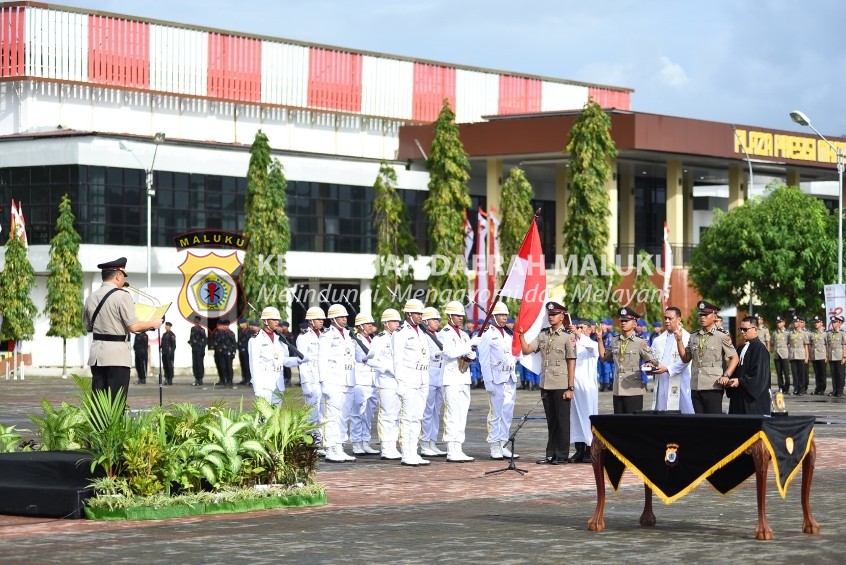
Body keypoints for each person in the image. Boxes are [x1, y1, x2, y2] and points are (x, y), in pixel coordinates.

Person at [83, 257, 163, 400]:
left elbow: (88, 327)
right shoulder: (122, 296)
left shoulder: (90, 298)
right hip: (117, 356)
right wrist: (153, 323)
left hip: (97, 356)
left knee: (99, 402)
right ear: (119, 275)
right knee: (116, 403)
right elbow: (133, 327)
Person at [518, 301, 576, 465]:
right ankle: (551, 453)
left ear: (562, 316)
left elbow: (571, 362)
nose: (551, 317)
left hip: (561, 384)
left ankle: (562, 455)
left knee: (562, 421)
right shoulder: (543, 335)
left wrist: (570, 387)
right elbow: (527, 350)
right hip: (546, 383)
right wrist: (521, 336)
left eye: (554, 314)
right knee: (551, 421)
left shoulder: (567, 337)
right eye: (549, 315)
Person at [392, 299, 439, 467]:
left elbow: (425, 354)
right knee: (407, 417)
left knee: (418, 417)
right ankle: (406, 452)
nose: (421, 316)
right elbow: (397, 359)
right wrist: (400, 382)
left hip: (422, 377)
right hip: (408, 378)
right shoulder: (401, 332)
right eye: (418, 313)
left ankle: (414, 450)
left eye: (421, 313)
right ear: (409, 314)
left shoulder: (421, 332)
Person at [675, 301, 738, 414]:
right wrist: (679, 340)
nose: (702, 317)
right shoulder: (694, 336)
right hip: (696, 385)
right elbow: (686, 358)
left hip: (713, 385)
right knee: (700, 423)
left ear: (714, 317)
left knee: (714, 422)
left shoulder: (721, 336)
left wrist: (726, 375)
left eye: (705, 315)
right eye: (700, 315)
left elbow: (734, 357)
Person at [438, 301, 479, 462]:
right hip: (451, 378)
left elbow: (471, 355)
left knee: (462, 414)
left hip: (463, 376)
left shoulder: (463, 334)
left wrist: (472, 350)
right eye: (457, 316)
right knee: (452, 414)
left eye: (462, 316)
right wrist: (469, 345)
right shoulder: (445, 333)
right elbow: (449, 353)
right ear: (449, 316)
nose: (460, 318)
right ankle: (451, 448)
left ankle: (459, 447)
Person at [597, 307, 657, 415]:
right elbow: (603, 357)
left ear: (634, 324)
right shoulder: (615, 340)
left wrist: (649, 364)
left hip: (633, 389)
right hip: (618, 389)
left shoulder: (640, 342)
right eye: (621, 321)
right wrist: (600, 339)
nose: (623, 323)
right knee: (620, 424)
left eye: (626, 321)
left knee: (634, 424)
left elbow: (652, 360)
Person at [478, 301, 519, 461]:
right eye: (501, 315)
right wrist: (488, 382)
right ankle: (494, 444)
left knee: (507, 413)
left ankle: (503, 443)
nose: (504, 318)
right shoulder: (488, 335)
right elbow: (484, 360)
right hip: (496, 378)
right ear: (494, 317)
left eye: (506, 315)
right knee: (495, 413)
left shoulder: (508, 335)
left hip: (509, 377)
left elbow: (515, 354)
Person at [319, 304, 357, 463]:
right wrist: (324, 382)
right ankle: (330, 448)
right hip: (334, 380)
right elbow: (322, 360)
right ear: (333, 319)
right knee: (332, 416)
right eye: (342, 317)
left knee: (344, 416)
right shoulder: (327, 336)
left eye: (345, 316)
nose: (345, 319)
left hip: (348, 379)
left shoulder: (348, 334)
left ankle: (339, 446)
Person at [249, 306, 306, 405]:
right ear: (266, 321)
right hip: (264, 385)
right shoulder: (255, 340)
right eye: (274, 320)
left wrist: (300, 360)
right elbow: (254, 366)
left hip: (279, 384)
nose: (277, 322)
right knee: (264, 418)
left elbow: (284, 360)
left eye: (278, 320)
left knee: (276, 417)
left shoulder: (280, 338)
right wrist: (257, 389)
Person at [367, 308, 402, 461]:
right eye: (394, 321)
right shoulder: (379, 339)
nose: (397, 323)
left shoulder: (400, 337)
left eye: (398, 321)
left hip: (399, 381)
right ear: (386, 323)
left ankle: (393, 444)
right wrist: (385, 367)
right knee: (387, 414)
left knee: (396, 415)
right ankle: (386, 446)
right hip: (386, 380)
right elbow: (370, 359)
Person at [649, 306, 693, 413]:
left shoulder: (687, 337)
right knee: (663, 412)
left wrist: (668, 369)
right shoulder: (658, 340)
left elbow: (685, 361)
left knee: (682, 413)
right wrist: (650, 364)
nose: (667, 321)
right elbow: (653, 357)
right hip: (662, 381)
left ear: (678, 319)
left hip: (680, 382)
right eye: (665, 318)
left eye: (670, 318)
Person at [725, 316, 771, 415]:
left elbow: (758, 374)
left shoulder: (760, 349)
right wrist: (729, 380)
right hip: (738, 396)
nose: (742, 332)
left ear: (755, 330)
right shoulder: (741, 348)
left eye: (745, 329)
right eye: (740, 329)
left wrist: (740, 381)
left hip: (752, 400)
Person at [568, 319, 599, 463]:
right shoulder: (573, 343)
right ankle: (578, 450)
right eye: (577, 327)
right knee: (574, 418)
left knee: (587, 417)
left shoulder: (591, 344)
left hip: (587, 388)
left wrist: (579, 335)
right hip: (573, 386)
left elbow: (594, 348)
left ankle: (589, 449)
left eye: (582, 327)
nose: (578, 330)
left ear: (589, 330)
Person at [350, 312, 380, 456]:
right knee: (358, 413)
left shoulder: (372, 339)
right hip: (361, 381)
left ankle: (365, 441)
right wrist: (364, 357)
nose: (371, 326)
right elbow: (357, 357)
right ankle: (356, 442)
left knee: (369, 414)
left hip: (373, 380)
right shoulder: (355, 340)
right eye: (368, 324)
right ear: (361, 326)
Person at [419, 307, 447, 458]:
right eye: (434, 319)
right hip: (429, 373)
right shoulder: (423, 336)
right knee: (427, 411)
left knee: (436, 411)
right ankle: (424, 443)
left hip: (440, 375)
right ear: (426, 321)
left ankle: (432, 442)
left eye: (438, 319)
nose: (438, 322)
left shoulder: (440, 335)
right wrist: (437, 353)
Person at [296, 307, 325, 431]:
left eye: (322, 319)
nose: (321, 321)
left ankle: (322, 441)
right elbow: (302, 362)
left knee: (323, 414)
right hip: (311, 379)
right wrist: (305, 383)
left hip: (323, 379)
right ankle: (313, 444)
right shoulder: (303, 337)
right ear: (311, 321)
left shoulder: (324, 336)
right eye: (318, 319)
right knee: (312, 414)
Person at [789, 315, 810, 396]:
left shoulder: (804, 334)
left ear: (800, 323)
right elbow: (789, 344)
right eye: (794, 322)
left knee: (801, 373)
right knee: (795, 373)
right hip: (793, 355)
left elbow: (806, 346)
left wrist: (807, 356)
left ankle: (801, 388)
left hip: (801, 355)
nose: (795, 323)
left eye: (797, 322)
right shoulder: (791, 333)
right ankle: (796, 388)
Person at [213, 318, 237, 388]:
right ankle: (224, 380)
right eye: (223, 325)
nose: (224, 327)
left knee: (229, 367)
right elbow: (218, 342)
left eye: (225, 325)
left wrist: (233, 352)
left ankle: (230, 381)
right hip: (222, 353)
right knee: (223, 367)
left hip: (229, 352)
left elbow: (234, 343)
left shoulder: (231, 333)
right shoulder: (220, 333)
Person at [827, 315, 846, 398]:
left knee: (840, 374)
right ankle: (835, 390)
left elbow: (844, 345)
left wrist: (844, 356)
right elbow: (828, 345)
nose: (833, 324)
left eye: (835, 322)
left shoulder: (842, 333)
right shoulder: (830, 333)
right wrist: (827, 356)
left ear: (839, 323)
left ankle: (840, 390)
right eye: (832, 322)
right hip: (832, 356)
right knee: (834, 374)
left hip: (839, 356)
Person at [772, 315, 791, 394]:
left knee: (786, 372)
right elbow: (773, 342)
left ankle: (786, 387)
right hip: (777, 354)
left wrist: (789, 354)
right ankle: (781, 387)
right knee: (779, 372)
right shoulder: (775, 333)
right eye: (777, 322)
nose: (778, 324)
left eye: (780, 322)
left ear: (784, 323)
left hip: (784, 355)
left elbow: (789, 344)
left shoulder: (787, 333)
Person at [810, 315, 828, 395]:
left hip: (822, 356)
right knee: (817, 373)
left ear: (821, 323)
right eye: (815, 322)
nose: (816, 324)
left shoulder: (825, 334)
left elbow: (827, 345)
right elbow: (811, 345)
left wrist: (827, 356)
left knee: (822, 373)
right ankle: (817, 388)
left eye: (817, 322)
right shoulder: (812, 334)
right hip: (815, 356)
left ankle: (822, 388)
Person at [597, 318, 616, 392]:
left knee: (606, 371)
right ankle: (602, 384)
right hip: (600, 355)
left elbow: (608, 346)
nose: (601, 326)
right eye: (601, 324)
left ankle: (606, 385)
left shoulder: (609, 335)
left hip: (606, 355)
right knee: (601, 370)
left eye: (603, 324)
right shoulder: (600, 333)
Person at [188, 315, 207, 386]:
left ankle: (200, 379)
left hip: (199, 349)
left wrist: (203, 349)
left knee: (199, 364)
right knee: (195, 364)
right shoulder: (192, 329)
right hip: (194, 349)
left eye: (196, 320)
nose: (195, 321)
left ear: (199, 321)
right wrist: (190, 342)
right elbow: (191, 338)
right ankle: (196, 378)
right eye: (195, 320)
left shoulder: (202, 330)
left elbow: (204, 340)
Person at [160, 321, 176, 385]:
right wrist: (160, 347)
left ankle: (170, 379)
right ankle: (166, 378)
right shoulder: (164, 334)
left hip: (169, 354)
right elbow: (162, 343)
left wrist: (171, 353)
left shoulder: (172, 335)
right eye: (166, 326)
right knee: (165, 366)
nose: (166, 327)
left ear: (170, 327)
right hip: (164, 353)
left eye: (167, 326)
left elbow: (173, 345)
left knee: (170, 367)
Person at [279, 321, 294, 387]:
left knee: (287, 367)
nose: (282, 327)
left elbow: (291, 344)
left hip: (288, 352)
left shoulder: (289, 334)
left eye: (283, 326)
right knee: (284, 367)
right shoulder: (281, 334)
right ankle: (285, 379)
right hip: (283, 353)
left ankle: (288, 379)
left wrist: (291, 353)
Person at [237, 318, 252, 386]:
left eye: (242, 323)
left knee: (247, 365)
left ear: (245, 323)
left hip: (246, 350)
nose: (240, 325)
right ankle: (244, 378)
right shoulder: (240, 331)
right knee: (242, 364)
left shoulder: (249, 331)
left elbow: (247, 341)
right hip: (241, 350)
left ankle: (248, 379)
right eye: (240, 324)